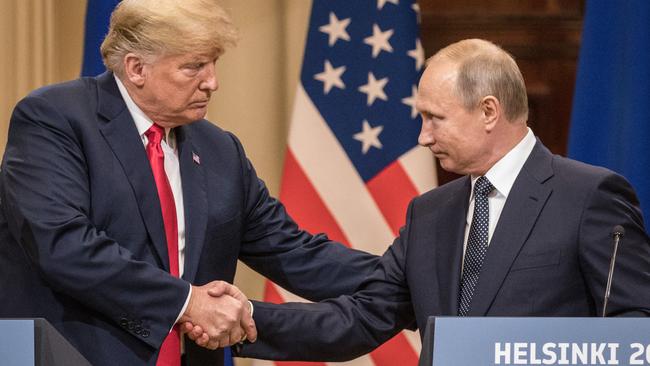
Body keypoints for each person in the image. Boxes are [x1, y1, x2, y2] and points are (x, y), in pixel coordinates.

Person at [0, 1, 378, 365]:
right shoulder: (56, 119)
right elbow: (63, 245)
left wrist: (406, 274)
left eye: (213, 63)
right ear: (136, 68)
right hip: (77, 354)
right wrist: (188, 302)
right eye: (193, 67)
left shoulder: (219, 149)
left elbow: (292, 251)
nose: (212, 82)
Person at [231, 38, 650, 362]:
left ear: (489, 111)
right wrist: (240, 320)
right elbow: (360, 318)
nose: (423, 136)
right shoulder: (430, 213)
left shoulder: (588, 196)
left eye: (435, 118)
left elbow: (636, 331)